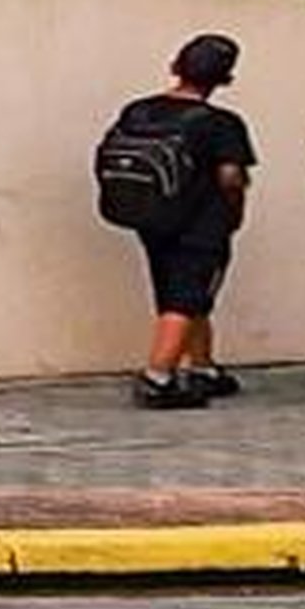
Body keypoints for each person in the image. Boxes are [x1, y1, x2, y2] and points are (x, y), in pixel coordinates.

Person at [96, 31, 253, 406]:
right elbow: (231, 175)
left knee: (180, 289)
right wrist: (234, 209)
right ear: (225, 78)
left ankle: (203, 368)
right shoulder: (221, 123)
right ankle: (158, 377)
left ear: (176, 66)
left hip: (149, 216)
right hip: (201, 221)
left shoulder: (138, 109)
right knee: (186, 295)